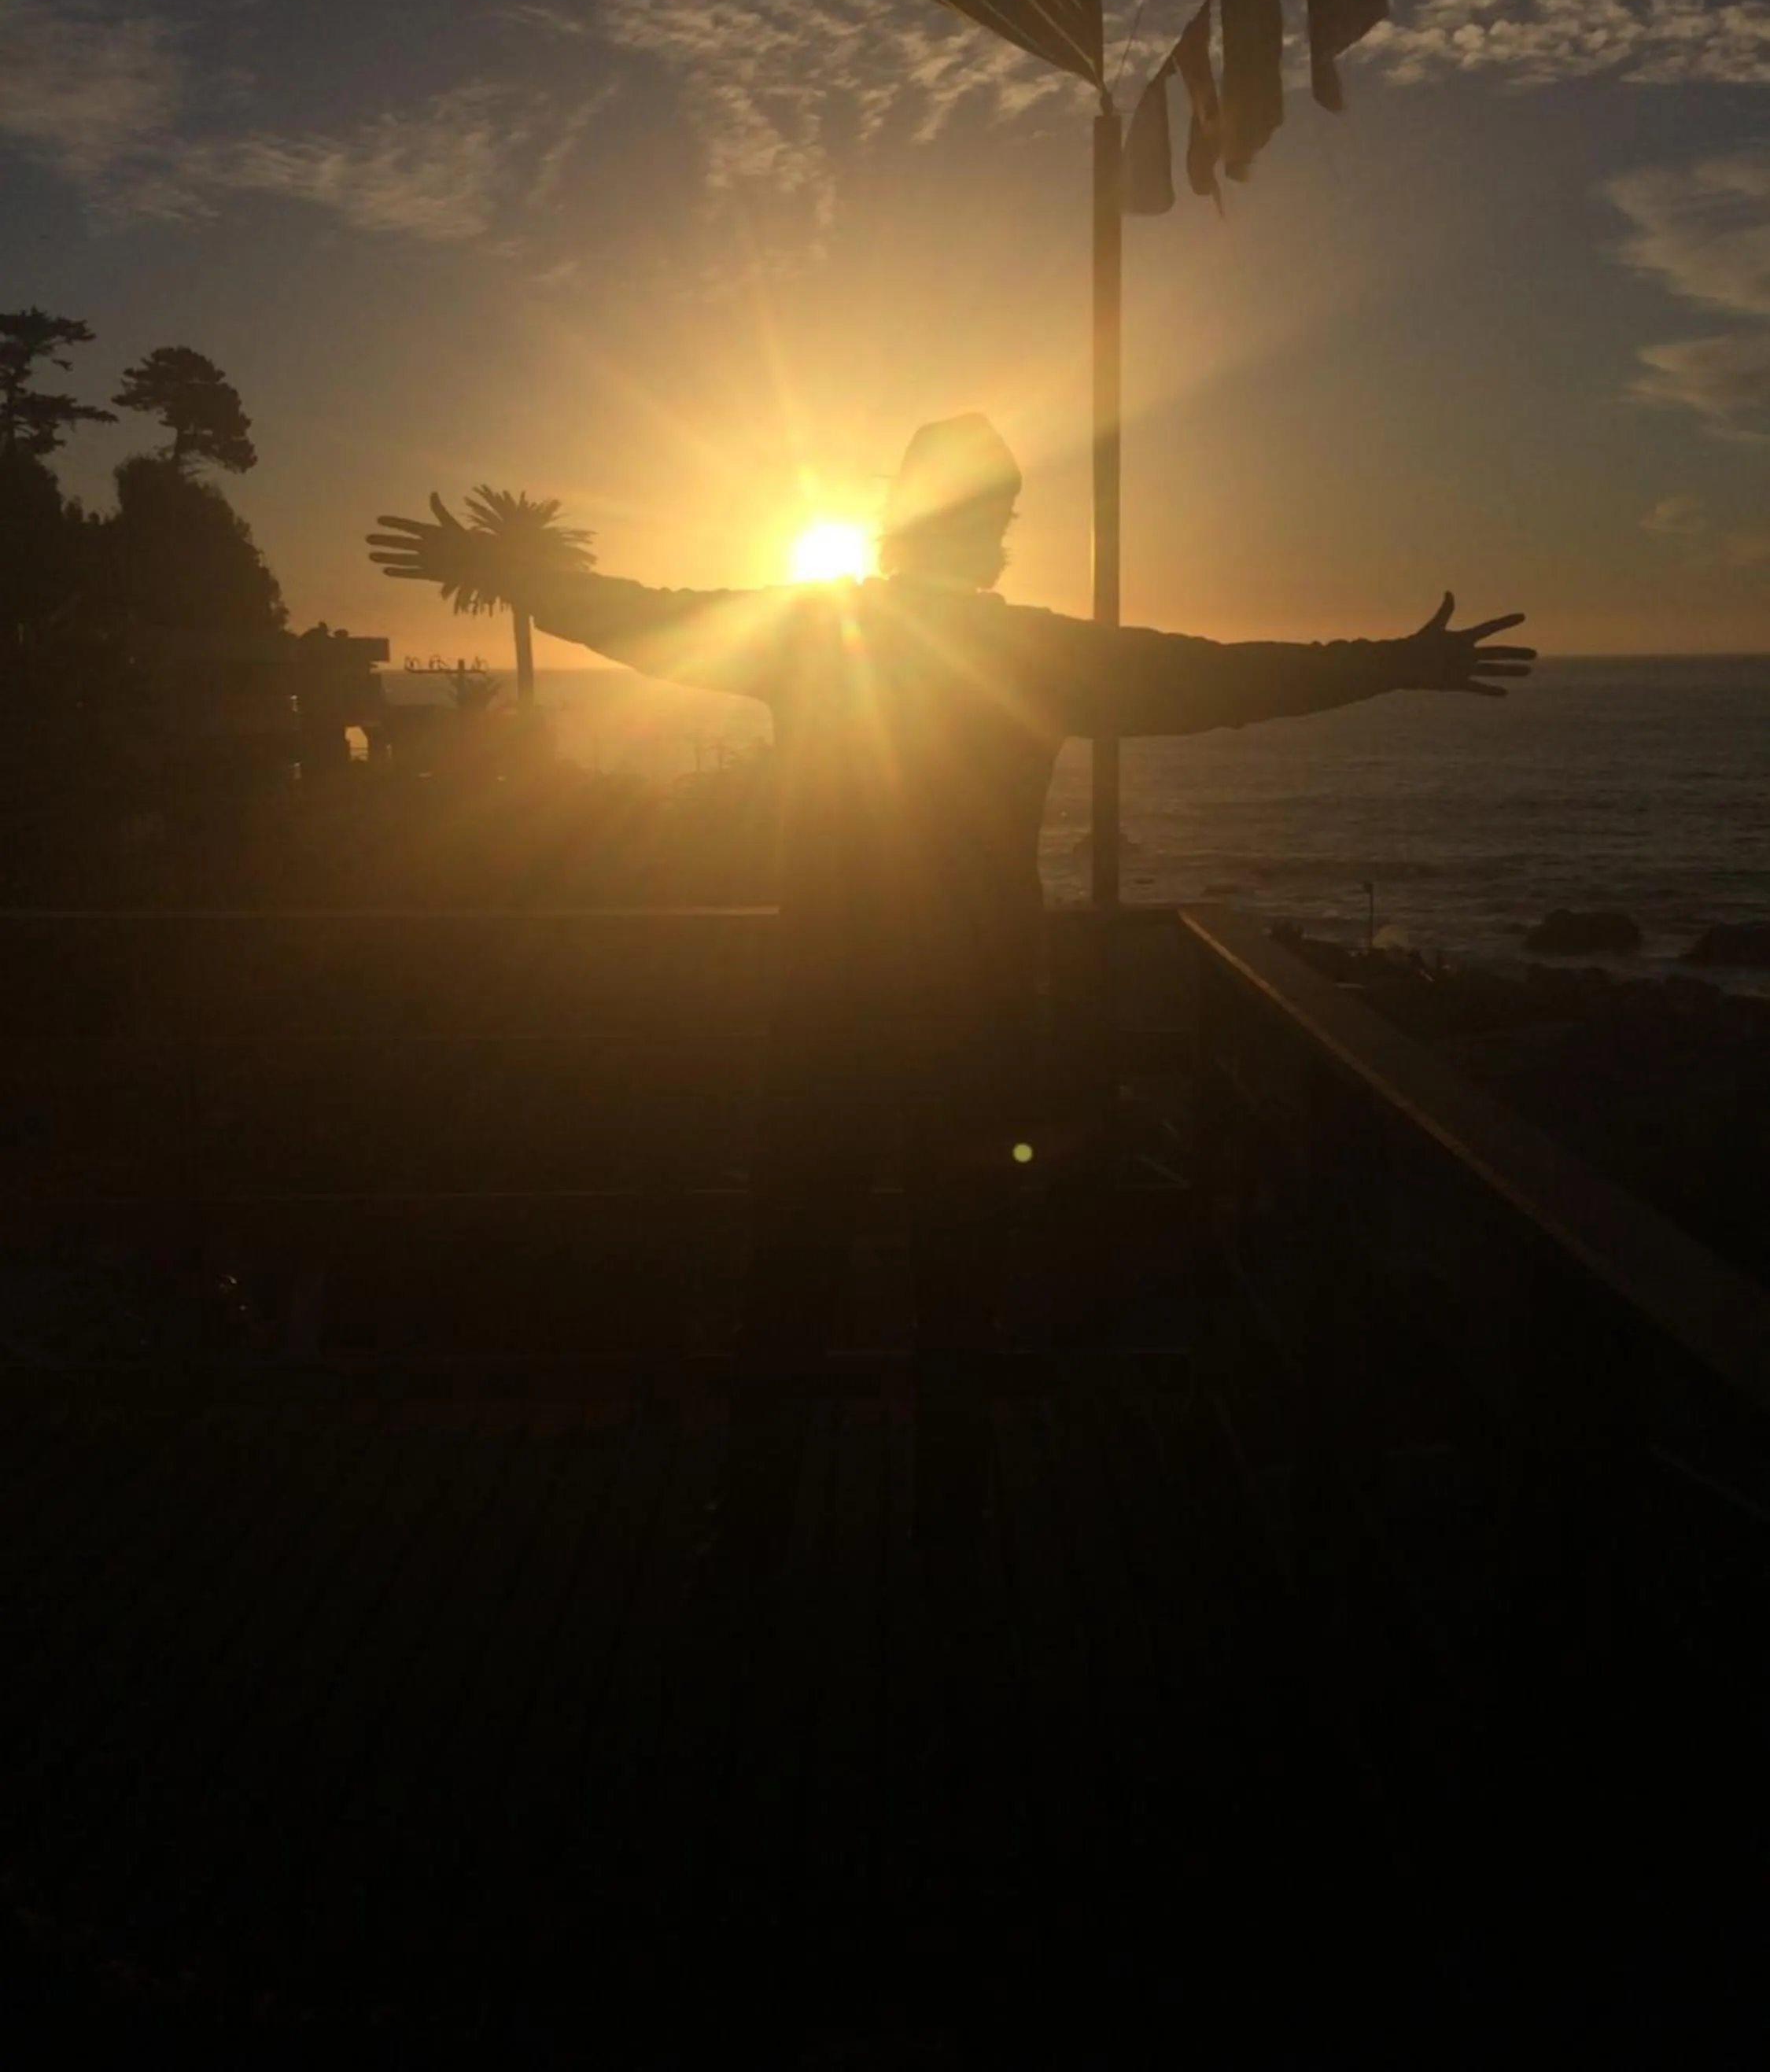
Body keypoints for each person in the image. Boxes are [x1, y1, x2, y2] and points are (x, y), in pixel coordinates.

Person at [370, 414, 1532, 1598]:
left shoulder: (817, 634)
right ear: (984, 533)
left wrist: (504, 571)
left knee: (790, 1277)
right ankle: (947, 1542)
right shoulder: (1023, 652)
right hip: (976, 1012)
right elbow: (1215, 676)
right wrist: (1387, 660)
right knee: (955, 1287)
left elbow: (639, 613)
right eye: (999, 514)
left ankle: (750, 1537)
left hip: (826, 1001)